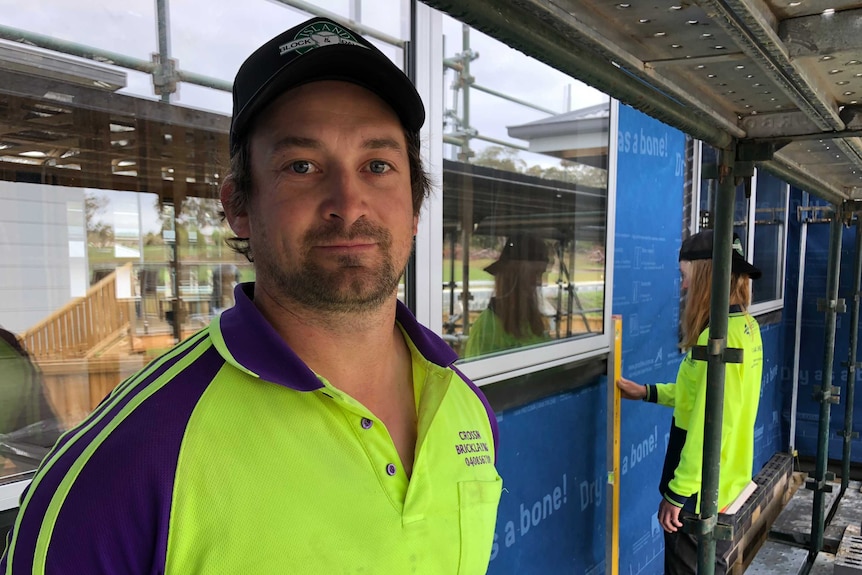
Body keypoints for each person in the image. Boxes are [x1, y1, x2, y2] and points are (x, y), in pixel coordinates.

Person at [1, 17, 502, 574]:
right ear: (239, 206)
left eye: (377, 165)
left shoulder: (464, 407)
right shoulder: (131, 456)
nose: (349, 202)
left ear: (414, 206)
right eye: (302, 166)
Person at [617, 230, 763, 575]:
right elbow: (701, 399)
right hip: (725, 481)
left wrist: (677, 493)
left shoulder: (718, 339)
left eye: (685, 276)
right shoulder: (746, 327)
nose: (682, 287)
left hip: (701, 490)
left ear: (704, 275)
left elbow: (711, 422)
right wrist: (647, 392)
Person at [463, 233, 551, 357]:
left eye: (541, 274)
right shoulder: (488, 326)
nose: (540, 283)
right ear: (513, 277)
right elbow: (475, 374)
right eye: (534, 274)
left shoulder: (531, 320)